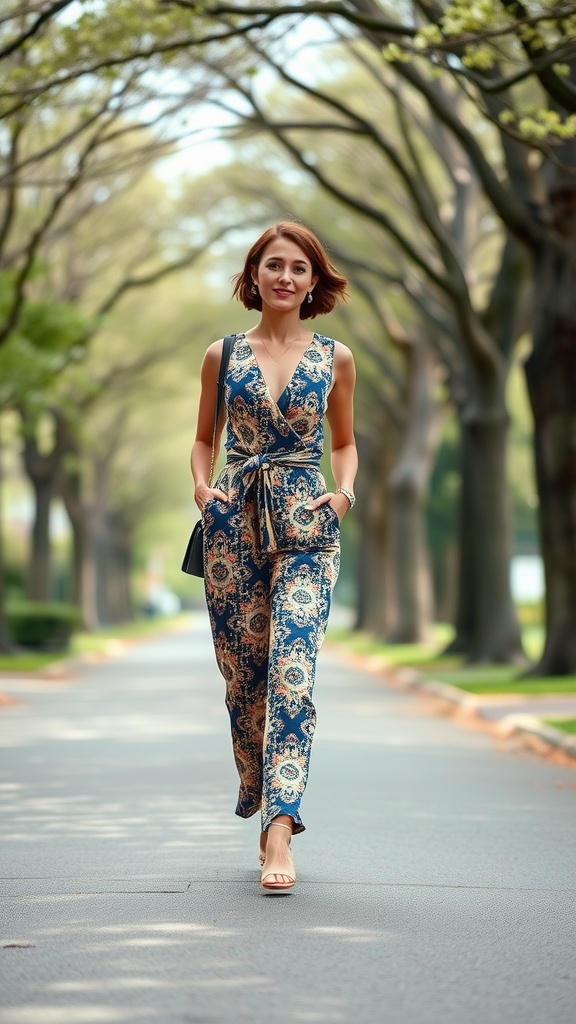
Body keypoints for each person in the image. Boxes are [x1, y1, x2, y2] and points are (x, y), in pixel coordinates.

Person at [191, 221, 357, 892]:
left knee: (292, 669)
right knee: (245, 681)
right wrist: (202, 488)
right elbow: (204, 438)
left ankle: (281, 825)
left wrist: (343, 493)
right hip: (233, 528)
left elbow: (344, 443)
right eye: (273, 265)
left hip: (307, 523)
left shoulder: (335, 357)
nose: (285, 276)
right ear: (254, 275)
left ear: (314, 281)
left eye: (298, 267)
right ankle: (260, 797)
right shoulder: (221, 355)